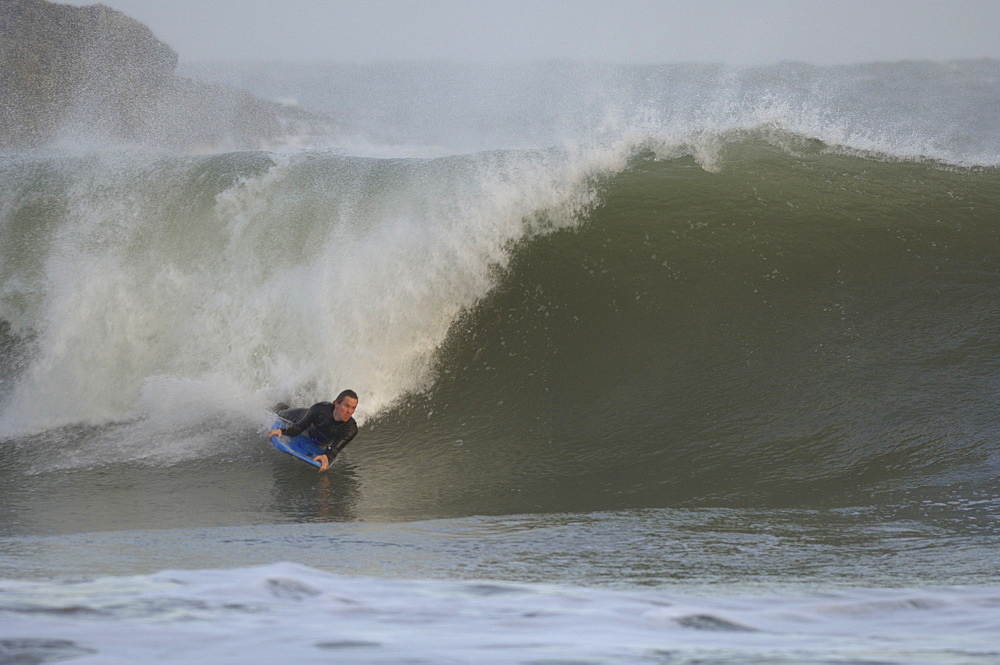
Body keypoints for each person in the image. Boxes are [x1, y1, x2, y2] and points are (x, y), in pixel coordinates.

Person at [269, 389, 359, 472]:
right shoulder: (320, 410)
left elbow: (334, 450)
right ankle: (279, 405)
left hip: (317, 438)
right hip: (299, 417)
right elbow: (298, 429)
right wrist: (282, 431)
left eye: (353, 408)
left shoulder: (351, 429)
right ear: (336, 404)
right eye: (346, 406)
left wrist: (327, 457)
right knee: (279, 413)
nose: (349, 411)